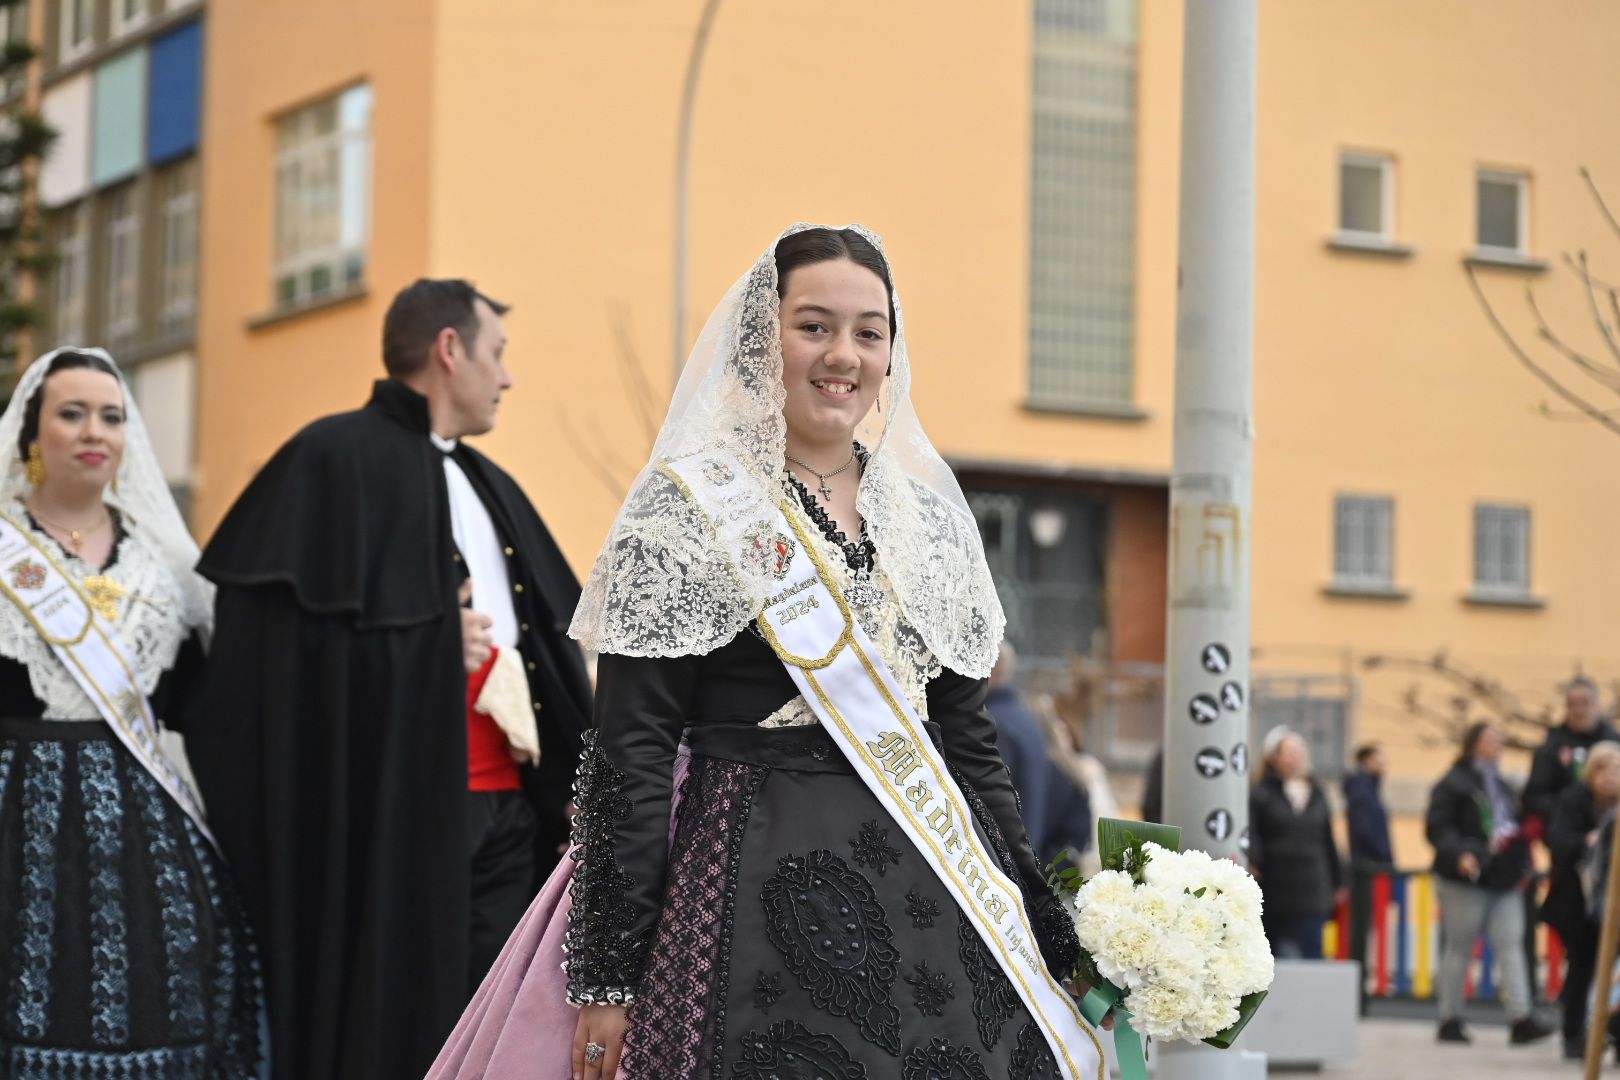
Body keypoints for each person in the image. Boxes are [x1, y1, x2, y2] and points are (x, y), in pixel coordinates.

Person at [428, 225, 1106, 1080]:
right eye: (814, 326)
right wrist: (606, 972)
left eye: (870, 331)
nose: (844, 355)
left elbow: (970, 745)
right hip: (743, 896)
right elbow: (630, 754)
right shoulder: (686, 511)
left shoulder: (933, 524)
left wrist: (1043, 925)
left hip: (936, 911)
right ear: (761, 341)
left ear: (892, 353)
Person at [187, 281, 593, 1080]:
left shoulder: (488, 484)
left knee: (499, 1031)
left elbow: (551, 647)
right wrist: (427, 647)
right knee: (405, 1032)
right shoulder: (327, 461)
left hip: (508, 818)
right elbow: (263, 679)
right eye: (497, 354)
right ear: (450, 349)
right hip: (392, 825)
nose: (506, 379)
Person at [0, 348, 263, 1076]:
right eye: (72, 413)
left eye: (111, 416)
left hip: (143, 818)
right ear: (32, 434)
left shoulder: (165, 564)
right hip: (17, 815)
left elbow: (215, 702)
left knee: (162, 987)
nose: (95, 431)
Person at [1425, 721, 1554, 1047]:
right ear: (1473, 743)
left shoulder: (1504, 784)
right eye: (1490, 739)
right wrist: (1460, 853)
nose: (1497, 744)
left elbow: (1515, 826)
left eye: (1500, 739)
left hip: (1503, 878)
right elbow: (1438, 828)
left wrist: (1523, 860)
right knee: (1461, 946)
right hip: (1464, 878)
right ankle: (1450, 1017)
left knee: (1511, 944)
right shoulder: (1454, 783)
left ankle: (1521, 1017)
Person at [1542, 740, 1620, 1059]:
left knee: (1615, 972)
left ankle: (1612, 1034)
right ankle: (1573, 1035)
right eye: (1602, 768)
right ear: (1590, 772)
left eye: (1616, 769)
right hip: (1577, 902)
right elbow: (1559, 843)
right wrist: (1589, 841)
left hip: (1613, 903)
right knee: (1583, 967)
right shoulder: (1573, 800)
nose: (1609, 776)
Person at [986, 643, 1092, 865]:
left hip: (1002, 862)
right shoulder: (1024, 720)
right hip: (1030, 859)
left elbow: (993, 805)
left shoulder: (995, 725)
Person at [1247, 726, 1344, 960]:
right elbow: (1253, 833)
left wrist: (1338, 879)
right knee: (1271, 954)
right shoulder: (1262, 794)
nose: (1297, 757)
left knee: (1312, 951)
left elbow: (1327, 838)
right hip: (1274, 887)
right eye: (1289, 751)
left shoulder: (1317, 793)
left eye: (1300, 750)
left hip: (1311, 888)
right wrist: (1254, 862)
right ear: (1274, 758)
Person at [1524, 676, 1618, 834]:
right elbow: (1533, 798)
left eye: (1585, 703)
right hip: (1567, 828)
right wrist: (1567, 810)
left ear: (1597, 705)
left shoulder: (1614, 742)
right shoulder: (1550, 747)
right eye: (1572, 704)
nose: (1579, 710)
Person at [1343, 742, 1394, 1014]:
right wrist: (1383, 861)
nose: (1383, 764)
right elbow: (1368, 832)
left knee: (1365, 929)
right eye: (1378, 758)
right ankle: (1358, 992)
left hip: (1373, 868)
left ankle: (1360, 988)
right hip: (1369, 870)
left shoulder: (1368, 789)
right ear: (1365, 761)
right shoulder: (1363, 791)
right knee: (1361, 930)